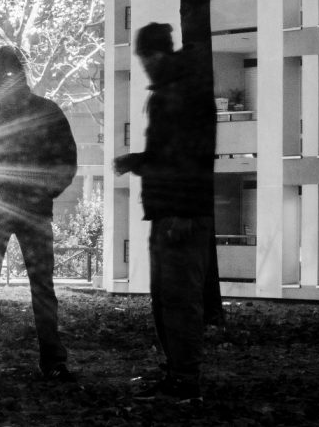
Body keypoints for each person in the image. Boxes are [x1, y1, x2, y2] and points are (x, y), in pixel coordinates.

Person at [0, 45, 78, 382]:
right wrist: (46, 191)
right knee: (41, 286)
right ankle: (52, 361)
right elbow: (67, 161)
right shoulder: (47, 110)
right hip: (29, 209)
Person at [115, 22, 216, 403]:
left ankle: (184, 379)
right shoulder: (184, 90)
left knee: (176, 300)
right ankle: (178, 374)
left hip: (176, 215)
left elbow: (184, 157)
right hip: (175, 212)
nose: (143, 65)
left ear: (153, 55)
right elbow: (183, 155)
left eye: (143, 57)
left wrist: (180, 211)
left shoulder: (176, 95)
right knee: (169, 299)